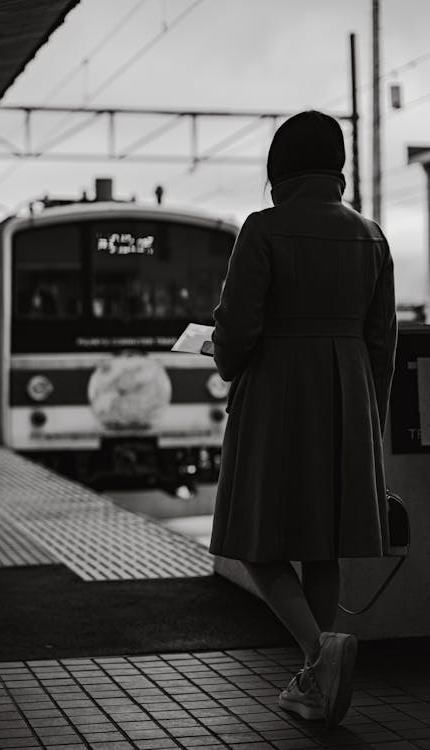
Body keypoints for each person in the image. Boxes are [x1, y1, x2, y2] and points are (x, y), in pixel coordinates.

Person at [209, 110, 397, 727]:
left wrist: (223, 353)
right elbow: (382, 343)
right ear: (337, 165)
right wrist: (371, 416)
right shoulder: (372, 236)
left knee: (254, 541)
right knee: (323, 546)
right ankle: (318, 688)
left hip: (276, 399)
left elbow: (237, 329)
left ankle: (321, 654)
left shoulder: (261, 229)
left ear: (278, 168)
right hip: (347, 398)